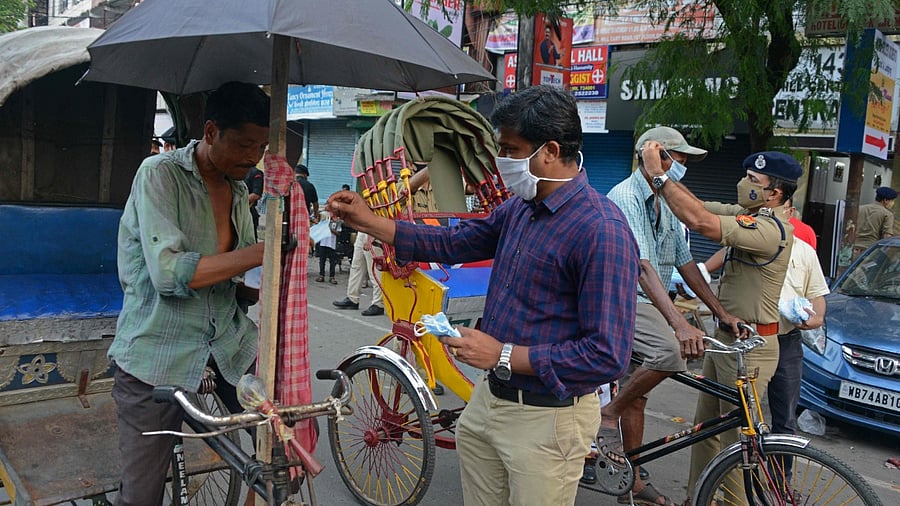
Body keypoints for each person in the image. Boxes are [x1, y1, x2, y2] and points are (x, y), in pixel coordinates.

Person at [326, 85, 640, 506]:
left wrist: (504, 355)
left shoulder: (601, 229)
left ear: (548, 151)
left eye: (511, 150)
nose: (502, 162)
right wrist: (370, 222)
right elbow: (456, 242)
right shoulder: (521, 207)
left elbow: (607, 354)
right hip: (489, 402)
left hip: (548, 420)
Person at [108, 81, 268, 506]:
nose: (253, 158)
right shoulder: (158, 174)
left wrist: (255, 284)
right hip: (156, 354)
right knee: (141, 495)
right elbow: (169, 273)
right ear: (211, 131)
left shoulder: (237, 189)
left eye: (262, 147)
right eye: (244, 144)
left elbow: (237, 275)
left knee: (279, 444)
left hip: (227, 345)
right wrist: (260, 253)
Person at [587, 127, 741, 506]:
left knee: (638, 393)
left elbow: (686, 263)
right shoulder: (625, 196)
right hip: (622, 298)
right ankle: (609, 413)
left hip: (649, 301)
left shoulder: (662, 201)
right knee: (670, 353)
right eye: (678, 157)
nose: (683, 165)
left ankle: (633, 480)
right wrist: (678, 322)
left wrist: (720, 312)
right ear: (652, 155)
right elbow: (641, 269)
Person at [639, 147, 801, 503]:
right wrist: (669, 179)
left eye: (753, 181)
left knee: (735, 447)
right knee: (706, 432)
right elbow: (699, 206)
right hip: (727, 340)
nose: (744, 184)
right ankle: (697, 498)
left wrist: (658, 176)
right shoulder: (749, 213)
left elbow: (700, 223)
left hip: (752, 348)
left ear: (774, 193)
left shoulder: (770, 230)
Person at [332, 231, 385, 316]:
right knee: (356, 266)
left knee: (374, 271)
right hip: (363, 231)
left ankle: (378, 304)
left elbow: (377, 217)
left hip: (372, 230)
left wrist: (370, 237)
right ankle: (352, 298)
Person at [854, 186, 896, 256]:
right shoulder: (887, 214)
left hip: (853, 249)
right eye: (892, 200)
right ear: (885, 200)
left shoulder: (859, 209)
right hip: (870, 252)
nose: (893, 203)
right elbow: (887, 237)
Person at [315, 217, 339, 284]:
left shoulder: (337, 222)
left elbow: (338, 233)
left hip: (331, 244)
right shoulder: (324, 220)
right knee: (322, 261)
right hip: (323, 243)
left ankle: (332, 277)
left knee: (332, 262)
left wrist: (330, 229)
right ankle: (321, 275)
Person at [244, 165, 264, 239]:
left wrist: (239, 202)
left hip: (248, 212)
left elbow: (256, 194)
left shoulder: (255, 172)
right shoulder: (234, 172)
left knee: (249, 240)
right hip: (233, 212)